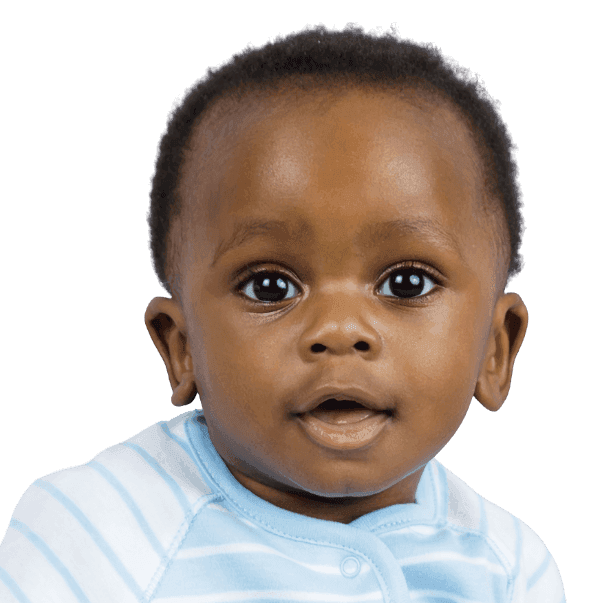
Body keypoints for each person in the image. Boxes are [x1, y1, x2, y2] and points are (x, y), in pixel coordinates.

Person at [0, 23, 567, 602]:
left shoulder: (510, 567)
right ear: (181, 347)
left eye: (406, 283)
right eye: (270, 287)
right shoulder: (97, 533)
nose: (340, 331)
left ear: (495, 349)